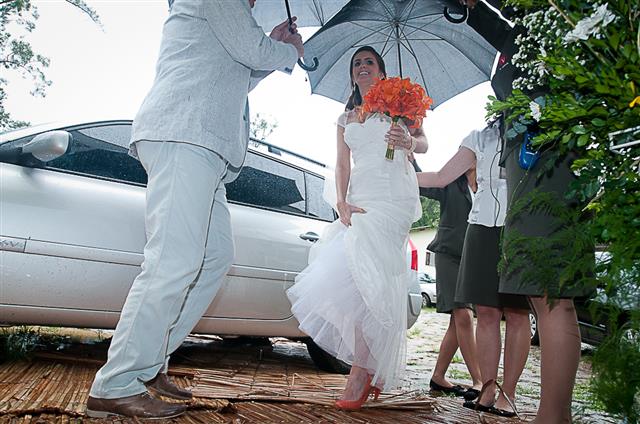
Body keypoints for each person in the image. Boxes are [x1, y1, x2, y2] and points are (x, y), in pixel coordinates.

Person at [86, 1, 304, 419]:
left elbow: (239, 71)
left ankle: (149, 363)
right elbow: (254, 51)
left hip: (205, 148)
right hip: (185, 136)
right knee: (172, 261)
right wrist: (288, 50)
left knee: (214, 259)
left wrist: (273, 45)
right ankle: (117, 382)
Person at [464, 2, 596, 422]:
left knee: (551, 294)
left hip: (548, 165)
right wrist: (471, 9)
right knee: (544, 294)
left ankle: (553, 416)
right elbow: (505, 30)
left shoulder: (558, 20)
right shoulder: (525, 31)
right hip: (529, 172)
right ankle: (553, 415)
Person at [286, 46, 428, 410]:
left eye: (369, 62)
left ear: (381, 71)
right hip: (360, 199)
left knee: (368, 279)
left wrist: (408, 141)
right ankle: (370, 368)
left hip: (392, 198)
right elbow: (340, 165)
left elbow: (424, 144)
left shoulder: (400, 105)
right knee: (357, 281)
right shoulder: (344, 117)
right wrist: (341, 202)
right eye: (356, 64)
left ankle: (361, 374)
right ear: (352, 75)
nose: (362, 67)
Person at [417, 123, 531, 418]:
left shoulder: (532, 131)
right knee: (487, 311)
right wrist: (391, 175)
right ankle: (488, 388)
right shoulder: (479, 138)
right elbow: (440, 177)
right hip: (480, 227)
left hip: (518, 225)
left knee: (517, 311)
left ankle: (509, 392)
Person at [420, 173, 483, 400]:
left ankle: (438, 377)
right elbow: (423, 184)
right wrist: (409, 155)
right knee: (464, 315)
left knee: (457, 322)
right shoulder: (449, 183)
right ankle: (480, 380)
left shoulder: (489, 183)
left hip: (475, 257)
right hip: (449, 255)